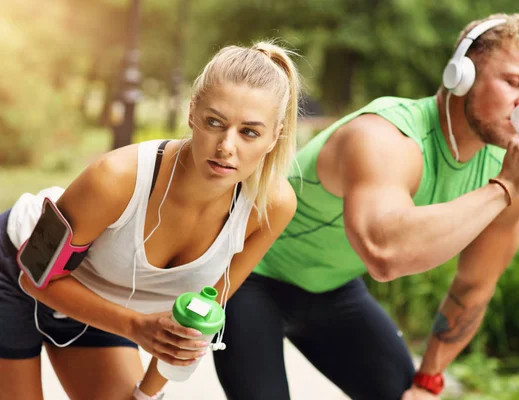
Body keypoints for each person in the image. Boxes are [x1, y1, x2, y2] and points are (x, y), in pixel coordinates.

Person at [213, 13, 519, 400]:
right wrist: (504, 188)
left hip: (332, 290)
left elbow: (475, 283)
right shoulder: (385, 136)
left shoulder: (508, 172)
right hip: (249, 276)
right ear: (459, 75)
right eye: (514, 82)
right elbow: (385, 254)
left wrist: (429, 380)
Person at [0, 41, 300, 400]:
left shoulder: (271, 206)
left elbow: (197, 321)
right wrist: (136, 326)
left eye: (249, 132)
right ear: (192, 113)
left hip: (101, 307)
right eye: (214, 122)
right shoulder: (114, 179)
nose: (226, 146)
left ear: (274, 137)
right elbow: (34, 280)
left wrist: (146, 394)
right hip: (16, 274)